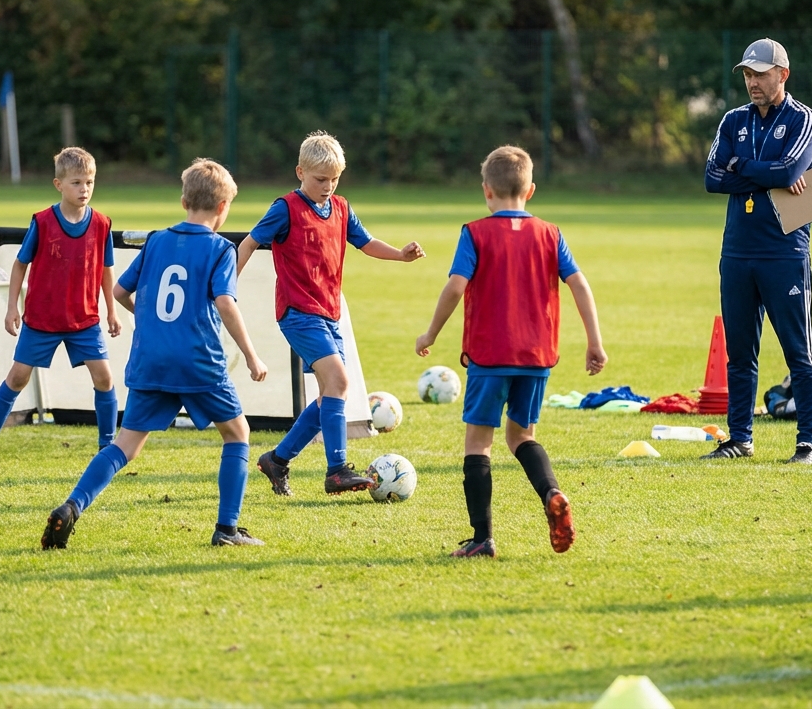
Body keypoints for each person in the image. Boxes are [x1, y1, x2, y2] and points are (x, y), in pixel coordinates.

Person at [41, 158, 269, 549]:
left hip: (151, 358)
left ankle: (72, 505)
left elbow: (119, 292)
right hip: (198, 360)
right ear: (223, 207)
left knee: (125, 444)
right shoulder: (221, 249)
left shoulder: (157, 240)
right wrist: (251, 355)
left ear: (184, 201)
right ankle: (227, 529)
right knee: (237, 434)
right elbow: (225, 302)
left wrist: (152, 321)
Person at [415, 145, 607, 558]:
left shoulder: (475, 233)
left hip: (490, 355)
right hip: (537, 356)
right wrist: (594, 341)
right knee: (521, 435)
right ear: (530, 191)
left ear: (487, 190)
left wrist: (430, 333)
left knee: (478, 442)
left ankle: (482, 538)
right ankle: (551, 492)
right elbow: (579, 283)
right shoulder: (551, 233)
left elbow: (455, 286)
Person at [239, 131, 425, 496]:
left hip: (329, 312)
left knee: (330, 395)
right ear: (300, 172)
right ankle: (337, 470)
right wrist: (226, 289)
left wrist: (400, 255)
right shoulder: (285, 208)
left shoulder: (341, 207)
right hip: (297, 312)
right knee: (339, 382)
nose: (328, 187)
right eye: (320, 179)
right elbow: (248, 242)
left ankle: (277, 460)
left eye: (334, 179)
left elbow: (366, 242)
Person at [703, 37, 812, 465]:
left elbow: (790, 170)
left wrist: (741, 166)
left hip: (785, 251)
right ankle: (740, 438)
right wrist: (767, 174)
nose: (752, 82)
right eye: (748, 75)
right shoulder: (733, 119)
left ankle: (807, 443)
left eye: (760, 74)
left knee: (798, 351)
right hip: (737, 251)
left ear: (782, 74)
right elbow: (712, 177)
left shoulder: (804, 118)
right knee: (739, 353)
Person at [0, 147, 121, 456]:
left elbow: (106, 271)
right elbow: (19, 265)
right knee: (18, 378)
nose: (84, 189)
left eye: (89, 182)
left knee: (104, 378)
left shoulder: (101, 224)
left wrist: (111, 311)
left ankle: (107, 445)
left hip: (84, 320)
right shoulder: (42, 222)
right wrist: (12, 308)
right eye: (76, 183)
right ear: (58, 185)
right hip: (42, 319)